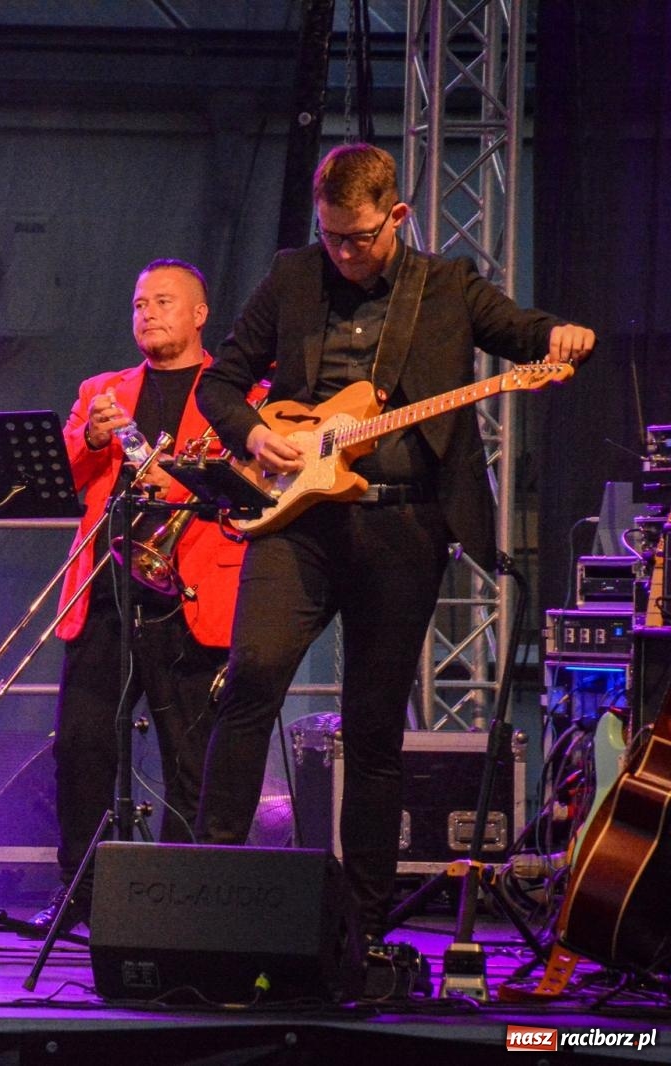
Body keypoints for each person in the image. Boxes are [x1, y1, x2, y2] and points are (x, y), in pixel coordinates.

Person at [193, 143, 596, 937]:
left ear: (397, 217)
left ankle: (365, 927)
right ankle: (207, 897)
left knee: (374, 725)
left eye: (361, 237)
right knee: (251, 683)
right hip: (298, 520)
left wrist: (561, 334)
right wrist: (254, 436)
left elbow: (518, 330)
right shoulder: (292, 275)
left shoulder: (444, 287)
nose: (344, 253)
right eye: (333, 236)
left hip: (403, 526)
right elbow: (221, 380)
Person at [28, 259, 247, 933]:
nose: (147, 312)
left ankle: (184, 898)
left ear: (200, 314)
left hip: (190, 595)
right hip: (104, 592)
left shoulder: (238, 392)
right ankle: (80, 897)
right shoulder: (104, 390)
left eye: (163, 301)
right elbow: (58, 476)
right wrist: (90, 436)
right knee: (83, 747)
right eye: (138, 303)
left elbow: (248, 482)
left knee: (190, 755)